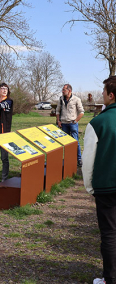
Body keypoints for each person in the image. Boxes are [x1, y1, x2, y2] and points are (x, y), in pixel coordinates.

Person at [82, 76, 116, 284]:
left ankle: (110, 279)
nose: (102, 94)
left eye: (104, 91)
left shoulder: (98, 122)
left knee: (110, 234)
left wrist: (89, 186)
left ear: (111, 95)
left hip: (106, 186)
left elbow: (88, 160)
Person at [56, 83, 84, 167]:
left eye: (64, 90)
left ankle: (79, 159)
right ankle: (68, 159)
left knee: (75, 142)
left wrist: (75, 121)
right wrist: (58, 121)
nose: (62, 91)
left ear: (69, 91)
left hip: (72, 124)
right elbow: (57, 111)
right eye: (62, 89)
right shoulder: (61, 99)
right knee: (66, 143)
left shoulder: (76, 99)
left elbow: (81, 112)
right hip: (64, 124)